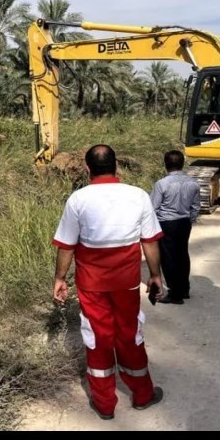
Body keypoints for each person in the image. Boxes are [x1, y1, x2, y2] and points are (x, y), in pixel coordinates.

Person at [52, 144, 165, 420]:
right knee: (129, 334)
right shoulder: (138, 196)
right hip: (126, 283)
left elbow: (66, 245)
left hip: (91, 284)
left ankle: (104, 404)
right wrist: (154, 275)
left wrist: (60, 278)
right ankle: (142, 394)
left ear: (87, 169)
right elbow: (150, 242)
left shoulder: (78, 200)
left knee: (98, 338)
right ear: (116, 166)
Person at [150, 149, 200, 304]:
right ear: (182, 164)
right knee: (182, 254)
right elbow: (196, 206)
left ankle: (175, 294)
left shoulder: (161, 184)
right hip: (184, 222)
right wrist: (190, 221)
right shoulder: (193, 183)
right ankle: (184, 289)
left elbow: (153, 207)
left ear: (166, 164)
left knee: (168, 257)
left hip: (167, 223)